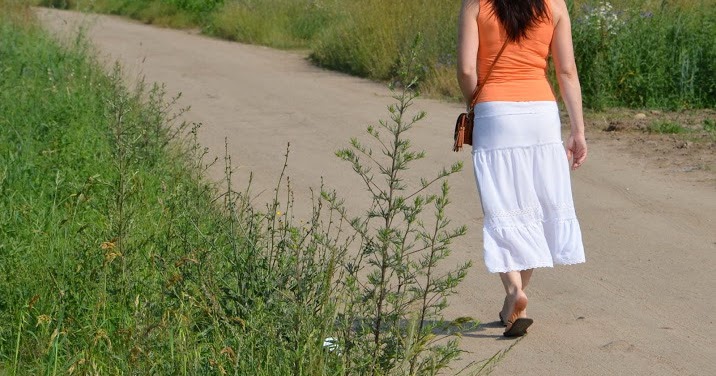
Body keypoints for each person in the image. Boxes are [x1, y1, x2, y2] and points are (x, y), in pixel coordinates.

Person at [457, 0, 587, 337]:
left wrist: (476, 107)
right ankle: (513, 307)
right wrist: (578, 131)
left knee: (503, 206)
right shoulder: (555, 4)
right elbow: (566, 71)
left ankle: (515, 291)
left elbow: (467, 70)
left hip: (496, 112)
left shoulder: (476, 4)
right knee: (536, 206)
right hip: (541, 113)